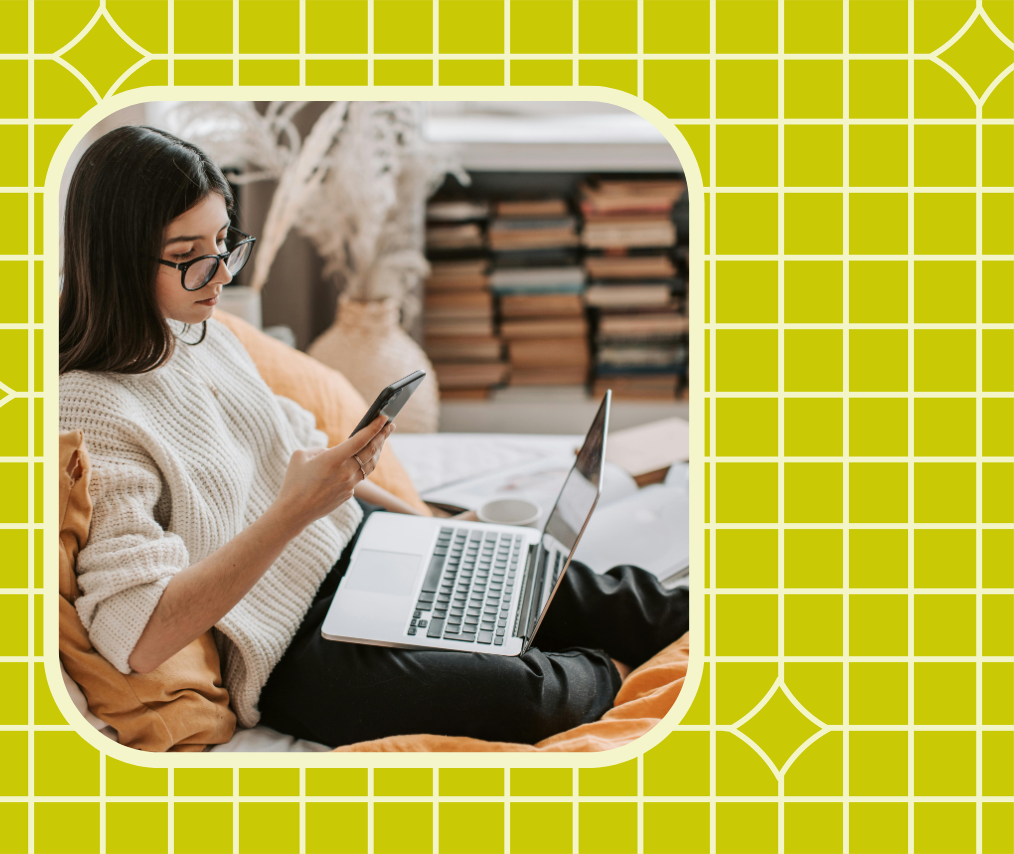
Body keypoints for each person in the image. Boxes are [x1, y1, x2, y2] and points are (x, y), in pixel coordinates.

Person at [58, 125, 688, 747]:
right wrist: (295, 510)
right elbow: (136, 638)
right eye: (190, 256)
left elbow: (301, 461)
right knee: (529, 698)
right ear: (115, 257)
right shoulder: (90, 409)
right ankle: (620, 676)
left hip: (363, 542)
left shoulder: (205, 333)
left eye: (225, 243)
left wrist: (430, 524)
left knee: (594, 589)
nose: (220, 275)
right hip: (294, 647)